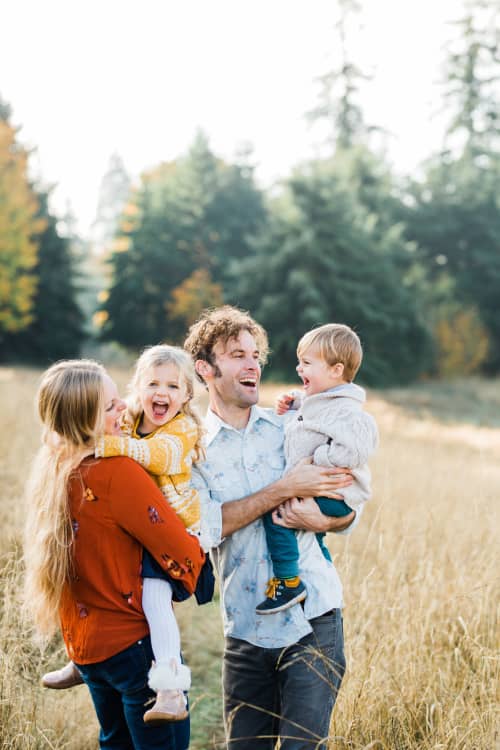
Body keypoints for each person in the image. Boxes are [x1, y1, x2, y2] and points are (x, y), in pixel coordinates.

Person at [184, 306, 365, 750]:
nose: (253, 364)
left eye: (255, 354)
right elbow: (205, 529)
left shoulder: (291, 426)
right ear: (205, 369)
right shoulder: (191, 452)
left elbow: (347, 504)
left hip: (313, 621)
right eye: (236, 355)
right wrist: (283, 489)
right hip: (245, 632)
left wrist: (324, 519)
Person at [24, 359, 205, 749]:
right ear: (84, 421)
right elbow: (180, 550)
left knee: (115, 743)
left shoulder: (55, 467)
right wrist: (195, 560)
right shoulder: (117, 471)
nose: (123, 406)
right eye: (109, 406)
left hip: (86, 647)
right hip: (133, 648)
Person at [255, 323, 378, 614]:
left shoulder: (347, 412)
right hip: (324, 489)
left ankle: (287, 582)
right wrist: (294, 401)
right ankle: (319, 569)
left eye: (307, 363)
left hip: (335, 492)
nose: (299, 368)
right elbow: (313, 412)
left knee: (278, 516)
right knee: (312, 534)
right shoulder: (323, 401)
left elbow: (353, 452)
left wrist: (317, 459)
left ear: (336, 370)